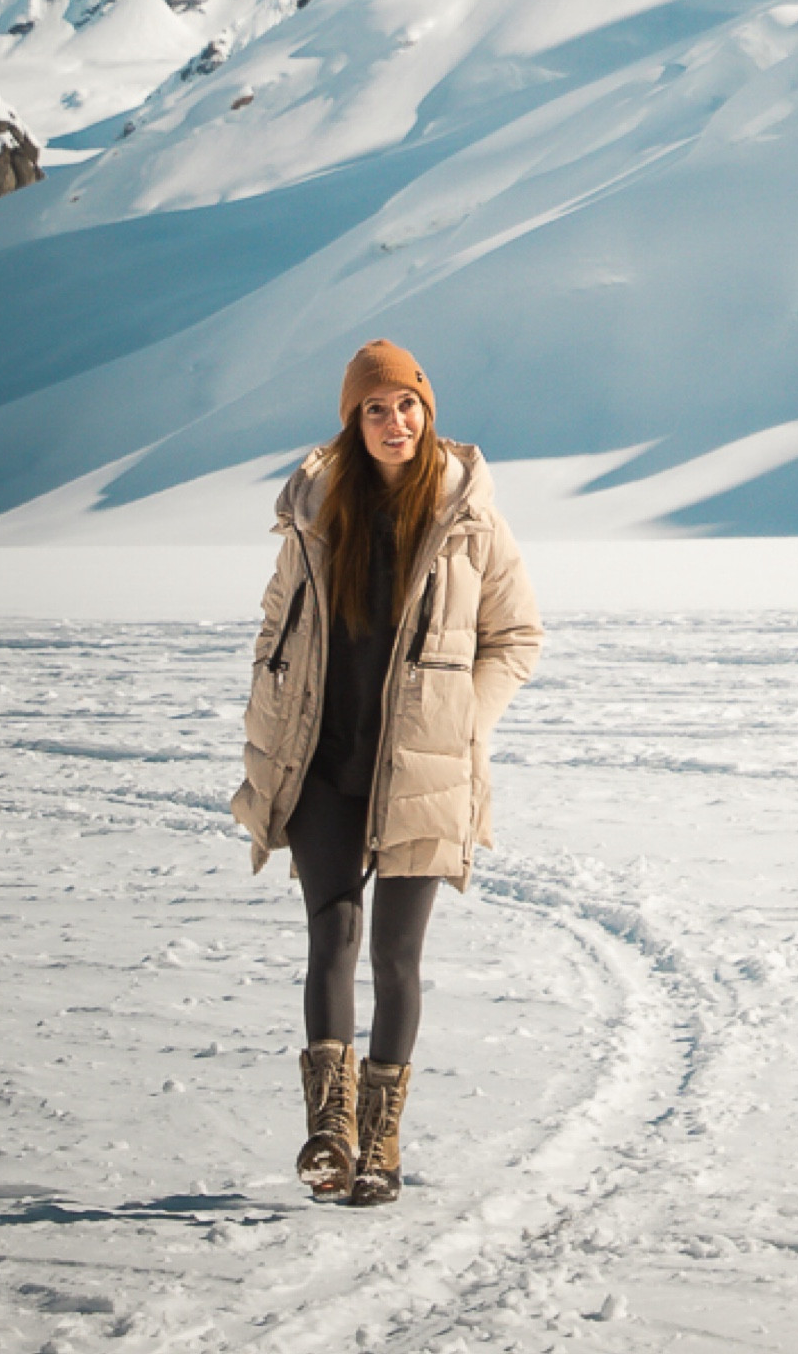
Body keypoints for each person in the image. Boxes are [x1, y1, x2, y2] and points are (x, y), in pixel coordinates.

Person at [231, 339, 542, 1207]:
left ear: (426, 412)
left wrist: (461, 724)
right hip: (327, 764)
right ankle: (329, 1133)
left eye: (405, 405)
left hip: (423, 770)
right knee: (330, 935)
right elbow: (276, 624)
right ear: (352, 421)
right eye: (374, 408)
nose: (392, 421)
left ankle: (382, 1146)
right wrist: (273, 692)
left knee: (397, 959)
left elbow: (516, 636)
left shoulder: (468, 513)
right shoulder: (317, 506)